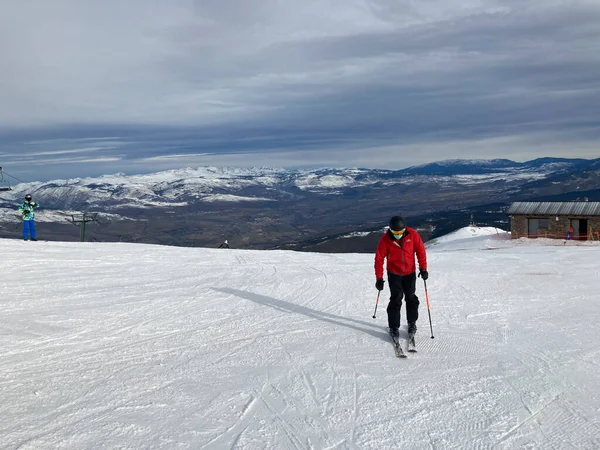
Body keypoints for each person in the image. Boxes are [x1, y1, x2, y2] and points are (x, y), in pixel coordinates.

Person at [374, 215, 428, 338]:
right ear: (390, 230)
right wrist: (379, 278)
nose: (398, 234)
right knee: (396, 298)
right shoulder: (385, 239)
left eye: (401, 232)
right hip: (394, 274)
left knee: (411, 297)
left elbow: (421, 252)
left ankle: (412, 323)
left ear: (405, 229)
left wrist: (423, 268)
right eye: (395, 232)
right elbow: (379, 259)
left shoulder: (412, 235)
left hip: (410, 273)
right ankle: (393, 327)